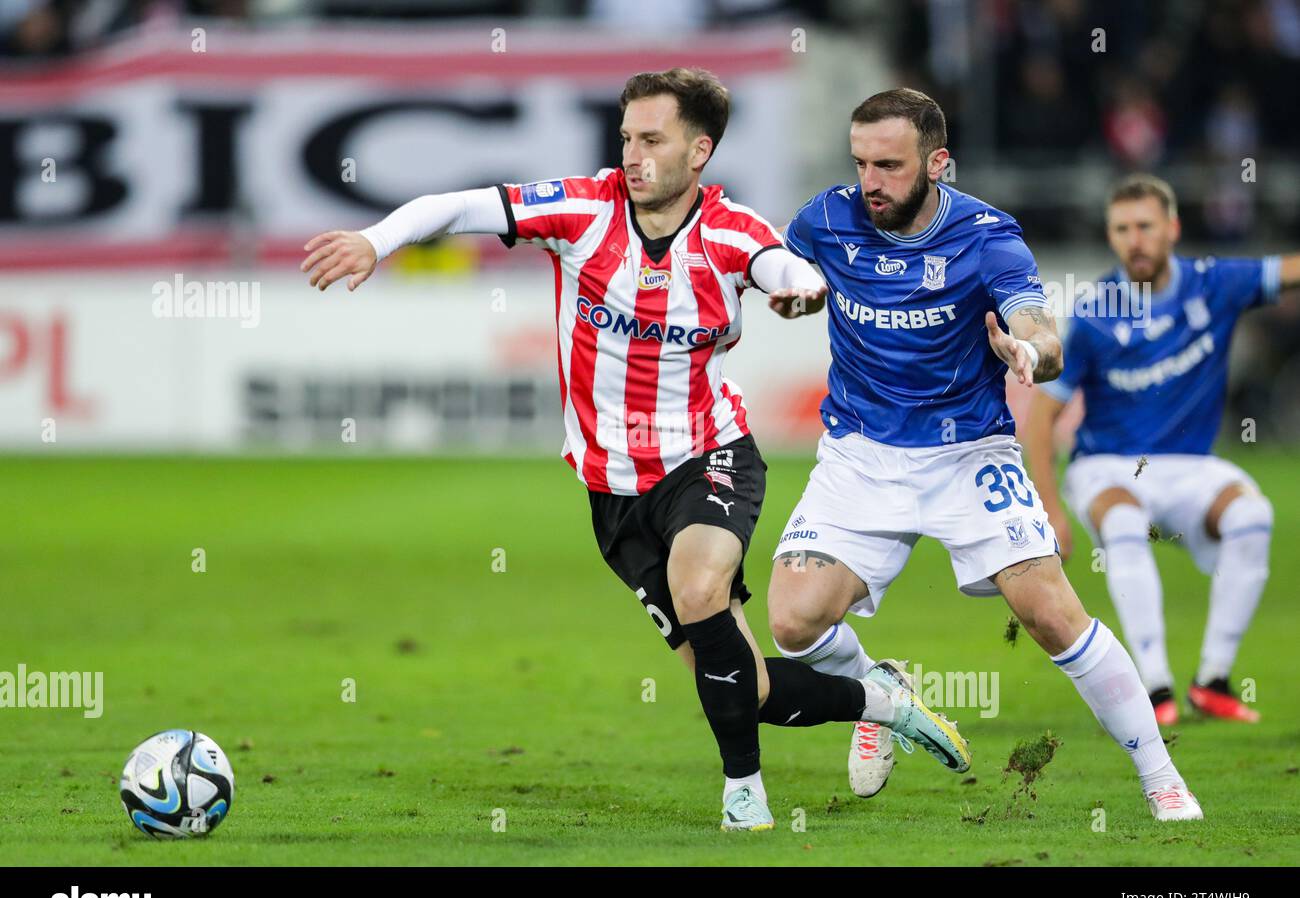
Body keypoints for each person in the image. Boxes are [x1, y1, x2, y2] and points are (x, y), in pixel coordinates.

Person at [301, 68, 968, 831]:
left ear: (700, 149)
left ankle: (743, 796)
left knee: (699, 586)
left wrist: (802, 288)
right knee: (742, 688)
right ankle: (880, 700)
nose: (633, 155)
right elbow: (459, 204)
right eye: (626, 138)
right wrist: (374, 239)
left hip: (707, 456)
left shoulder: (728, 230)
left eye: (653, 139)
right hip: (612, 490)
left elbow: (780, 267)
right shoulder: (582, 211)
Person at [764, 89, 1201, 820]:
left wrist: (1027, 349)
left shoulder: (987, 235)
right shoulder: (827, 218)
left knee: (1052, 614)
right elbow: (782, 271)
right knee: (792, 622)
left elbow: (1042, 330)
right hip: (861, 454)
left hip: (969, 452)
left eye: (891, 165)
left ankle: (1162, 778)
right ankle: (882, 695)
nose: (871, 181)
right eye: (862, 162)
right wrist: (796, 294)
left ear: (937, 162)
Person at [1025, 173, 1299, 726]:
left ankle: (1213, 680)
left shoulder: (1214, 283)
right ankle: (1155, 689)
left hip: (1190, 466)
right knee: (1124, 523)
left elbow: (1289, 271)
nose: (1135, 240)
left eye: (1145, 226)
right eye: (1122, 229)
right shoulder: (1095, 313)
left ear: (1172, 229)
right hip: (1106, 466)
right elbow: (1041, 417)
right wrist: (1049, 508)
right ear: (1110, 236)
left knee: (1253, 514)